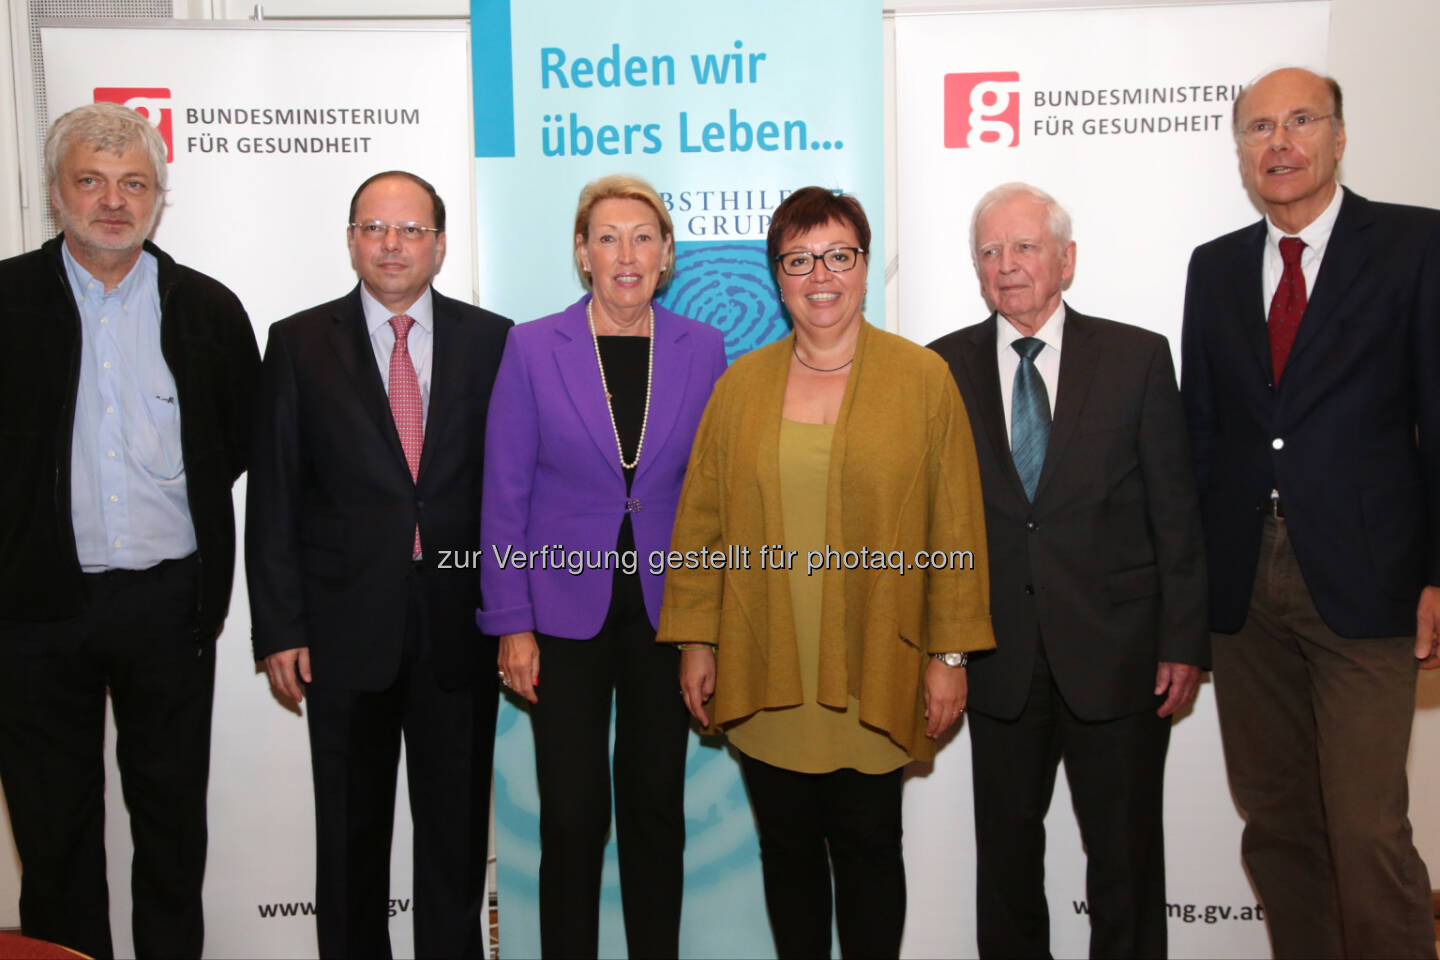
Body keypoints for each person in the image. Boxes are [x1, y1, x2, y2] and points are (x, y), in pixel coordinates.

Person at [661, 186, 994, 960]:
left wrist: (949, 657)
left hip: (879, 662)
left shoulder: (922, 380)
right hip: (766, 660)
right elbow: (702, 524)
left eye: (839, 256)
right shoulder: (740, 387)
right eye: (800, 258)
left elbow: (956, 528)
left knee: (870, 848)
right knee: (787, 852)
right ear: (777, 276)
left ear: (865, 266)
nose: (822, 275)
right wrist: (696, 640)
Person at [1181, 67, 1439, 959]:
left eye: (1300, 122)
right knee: (1279, 824)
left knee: (1368, 830)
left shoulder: (1415, 245)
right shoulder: (1213, 268)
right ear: (1241, 150)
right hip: (1245, 594)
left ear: (1337, 136)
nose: (1279, 143)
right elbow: (1202, 434)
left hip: (1370, 584)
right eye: (1259, 127)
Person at [0, 102, 259, 960]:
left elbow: (230, 444)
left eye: (133, 184)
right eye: (91, 181)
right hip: (33, 614)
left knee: (172, 826)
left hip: (167, 605)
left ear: (158, 196)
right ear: (56, 192)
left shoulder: (209, 310)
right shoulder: (4, 302)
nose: (113, 201)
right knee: (54, 836)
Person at [928, 182, 1206, 958]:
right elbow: (934, 524)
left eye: (1024, 247)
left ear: (1066, 260)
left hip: (1118, 657)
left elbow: (1175, 510)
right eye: (990, 252)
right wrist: (939, 648)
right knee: (1007, 867)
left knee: (1124, 861)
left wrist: (1182, 640)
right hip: (997, 658)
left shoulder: (1137, 357)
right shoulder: (938, 368)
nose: (1007, 266)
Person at [247, 171, 512, 957]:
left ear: (439, 244)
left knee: (455, 841)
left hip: (458, 632)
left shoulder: (494, 340)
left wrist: (513, 616)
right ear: (352, 239)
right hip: (340, 631)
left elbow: (510, 490)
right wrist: (279, 626)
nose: (392, 245)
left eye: (410, 231)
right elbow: (275, 495)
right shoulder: (297, 343)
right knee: (350, 841)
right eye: (374, 228)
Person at [479, 174, 727, 958]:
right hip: (560, 616)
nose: (627, 254)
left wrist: (708, 628)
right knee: (573, 814)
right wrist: (510, 622)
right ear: (582, 254)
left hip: (666, 612)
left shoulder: (703, 347)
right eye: (609, 237)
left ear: (667, 255)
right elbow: (504, 494)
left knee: (656, 809)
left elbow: (713, 498)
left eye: (644, 237)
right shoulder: (531, 346)